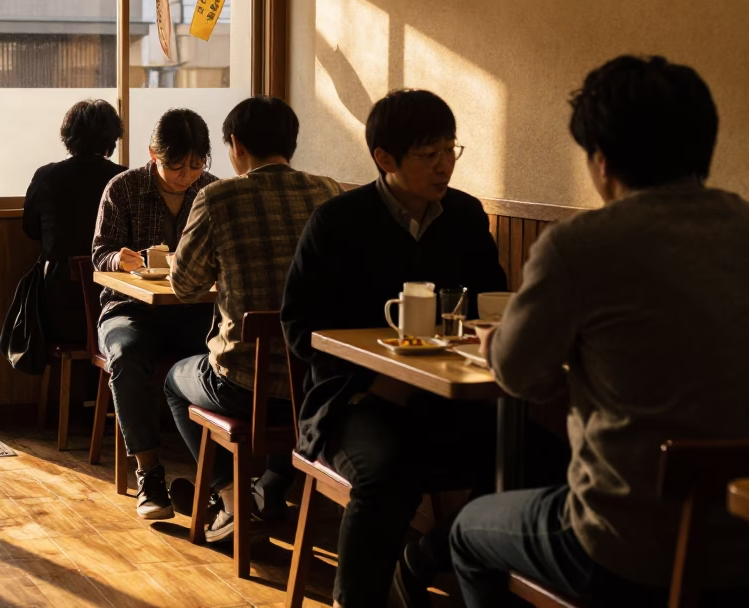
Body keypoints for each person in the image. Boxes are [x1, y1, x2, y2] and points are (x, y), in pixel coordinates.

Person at [450, 56, 749, 607]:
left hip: (627, 546)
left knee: (468, 531)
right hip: (741, 541)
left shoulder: (582, 243)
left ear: (602, 162)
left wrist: (494, 343)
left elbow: (519, 374)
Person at [281, 89, 509, 608]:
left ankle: (427, 559)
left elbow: (488, 302)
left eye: (450, 150)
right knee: (387, 476)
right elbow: (298, 325)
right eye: (428, 155)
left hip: (447, 396)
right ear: (385, 159)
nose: (444, 165)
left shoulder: (466, 217)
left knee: (530, 460)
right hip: (354, 399)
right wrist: (373, 380)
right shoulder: (337, 222)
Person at [164, 96, 341, 542]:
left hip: (243, 386)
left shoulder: (217, 197)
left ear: (236, 145)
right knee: (291, 390)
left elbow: (184, 285)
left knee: (173, 380)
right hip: (320, 382)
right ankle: (271, 488)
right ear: (291, 143)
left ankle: (229, 499)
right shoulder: (329, 192)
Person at [92, 108, 218, 519]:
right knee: (126, 356)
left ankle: (227, 481)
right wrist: (118, 259)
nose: (186, 175)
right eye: (176, 165)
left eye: (196, 165)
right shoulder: (123, 188)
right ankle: (149, 473)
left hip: (193, 310)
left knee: (229, 353)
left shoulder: (213, 192)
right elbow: (99, 254)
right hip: (129, 308)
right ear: (152, 153)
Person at [23, 99, 127, 345]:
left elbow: (30, 229)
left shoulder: (46, 176)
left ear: (68, 137)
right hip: (112, 307)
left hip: (55, 311)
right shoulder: (123, 178)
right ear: (112, 138)